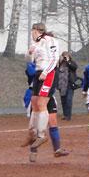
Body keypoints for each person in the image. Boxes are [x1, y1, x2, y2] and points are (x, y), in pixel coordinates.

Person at [21, 23, 59, 152]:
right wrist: (29, 52)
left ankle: (42, 135)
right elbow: (28, 59)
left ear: (36, 31)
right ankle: (32, 133)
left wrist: (46, 72)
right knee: (34, 102)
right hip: (38, 73)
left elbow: (54, 59)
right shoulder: (36, 44)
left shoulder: (50, 40)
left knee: (42, 103)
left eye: (32, 31)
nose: (31, 34)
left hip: (48, 73)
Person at [23, 61, 70, 162]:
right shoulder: (34, 63)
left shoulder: (50, 64)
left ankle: (57, 149)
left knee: (53, 122)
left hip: (48, 95)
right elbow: (31, 72)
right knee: (36, 123)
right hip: (35, 95)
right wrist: (44, 69)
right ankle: (33, 151)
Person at [58, 51, 78, 120]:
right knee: (63, 101)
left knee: (69, 100)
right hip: (62, 85)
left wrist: (68, 61)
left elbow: (74, 67)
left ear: (69, 56)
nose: (65, 57)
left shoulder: (71, 62)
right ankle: (65, 115)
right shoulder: (60, 64)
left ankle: (68, 116)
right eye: (63, 56)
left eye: (66, 56)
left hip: (69, 84)